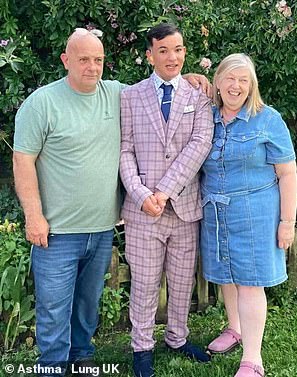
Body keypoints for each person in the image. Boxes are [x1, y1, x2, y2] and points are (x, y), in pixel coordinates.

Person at [13, 28, 210, 377]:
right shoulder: (41, 102)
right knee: (54, 306)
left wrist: (191, 76)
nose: (92, 67)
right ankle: (53, 366)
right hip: (56, 229)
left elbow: (163, 83)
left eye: (99, 60)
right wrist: (33, 216)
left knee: (87, 304)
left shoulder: (115, 93)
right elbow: (23, 160)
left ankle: (83, 357)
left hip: (102, 227)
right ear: (65, 60)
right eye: (84, 59)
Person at [119, 23, 214, 377]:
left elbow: (200, 145)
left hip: (185, 208)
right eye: (163, 51)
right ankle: (141, 349)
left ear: (185, 52)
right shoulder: (130, 96)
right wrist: (143, 194)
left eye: (178, 50)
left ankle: (177, 338)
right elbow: (124, 150)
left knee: (181, 281)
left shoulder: (199, 97)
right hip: (144, 212)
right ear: (150, 54)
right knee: (143, 284)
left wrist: (164, 191)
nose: (171, 57)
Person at [200, 53, 297, 377]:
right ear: (218, 81)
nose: (236, 86)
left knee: (250, 282)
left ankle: (252, 359)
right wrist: (189, 77)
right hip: (215, 212)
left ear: (252, 85)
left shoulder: (268, 119)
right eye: (230, 78)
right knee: (226, 275)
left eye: (244, 80)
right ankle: (234, 328)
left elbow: (287, 173)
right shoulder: (207, 117)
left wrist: (287, 223)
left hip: (255, 214)